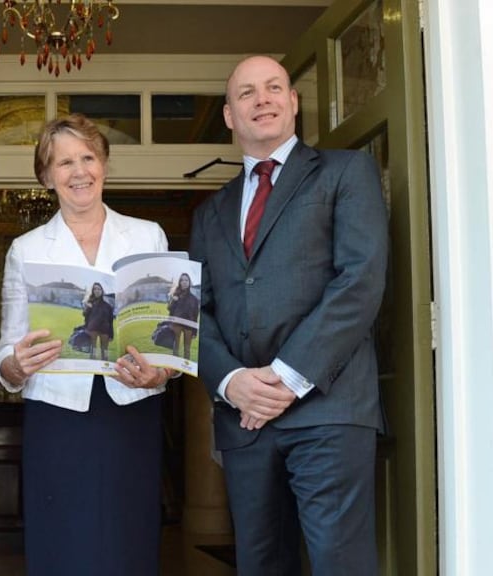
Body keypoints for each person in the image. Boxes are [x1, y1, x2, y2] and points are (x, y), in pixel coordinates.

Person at [190, 55, 389, 575]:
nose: (263, 100)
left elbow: (359, 282)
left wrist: (281, 379)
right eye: (247, 93)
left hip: (329, 408)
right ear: (230, 116)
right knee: (260, 564)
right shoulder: (209, 212)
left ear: (294, 102)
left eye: (275, 88)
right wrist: (232, 381)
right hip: (244, 421)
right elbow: (195, 311)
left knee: (337, 563)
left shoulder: (347, 172)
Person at [0, 114, 174, 575]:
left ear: (105, 166)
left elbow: (168, 339)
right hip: (57, 417)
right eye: (64, 162)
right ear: (46, 176)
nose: (79, 171)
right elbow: (7, 356)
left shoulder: (148, 234)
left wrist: (162, 372)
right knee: (63, 543)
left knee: (128, 541)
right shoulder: (27, 248)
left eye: (88, 157)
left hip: (131, 409)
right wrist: (16, 365)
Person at [166, 272, 199, 360]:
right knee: (175, 347)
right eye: (182, 280)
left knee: (187, 349)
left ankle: (186, 367)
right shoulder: (176, 295)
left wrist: (195, 331)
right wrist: (174, 301)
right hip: (176, 324)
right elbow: (169, 309)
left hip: (189, 326)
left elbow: (196, 316)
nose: (184, 282)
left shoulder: (194, 299)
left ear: (189, 282)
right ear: (180, 282)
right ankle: (175, 365)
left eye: (186, 280)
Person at [82, 281, 114, 360]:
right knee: (93, 350)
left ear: (102, 291)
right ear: (93, 291)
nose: (97, 290)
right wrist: (88, 308)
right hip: (93, 329)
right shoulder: (90, 303)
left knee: (105, 351)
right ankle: (92, 365)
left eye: (99, 289)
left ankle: (105, 366)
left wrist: (111, 335)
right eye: (95, 289)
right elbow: (85, 316)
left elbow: (110, 321)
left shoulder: (108, 306)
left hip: (105, 331)